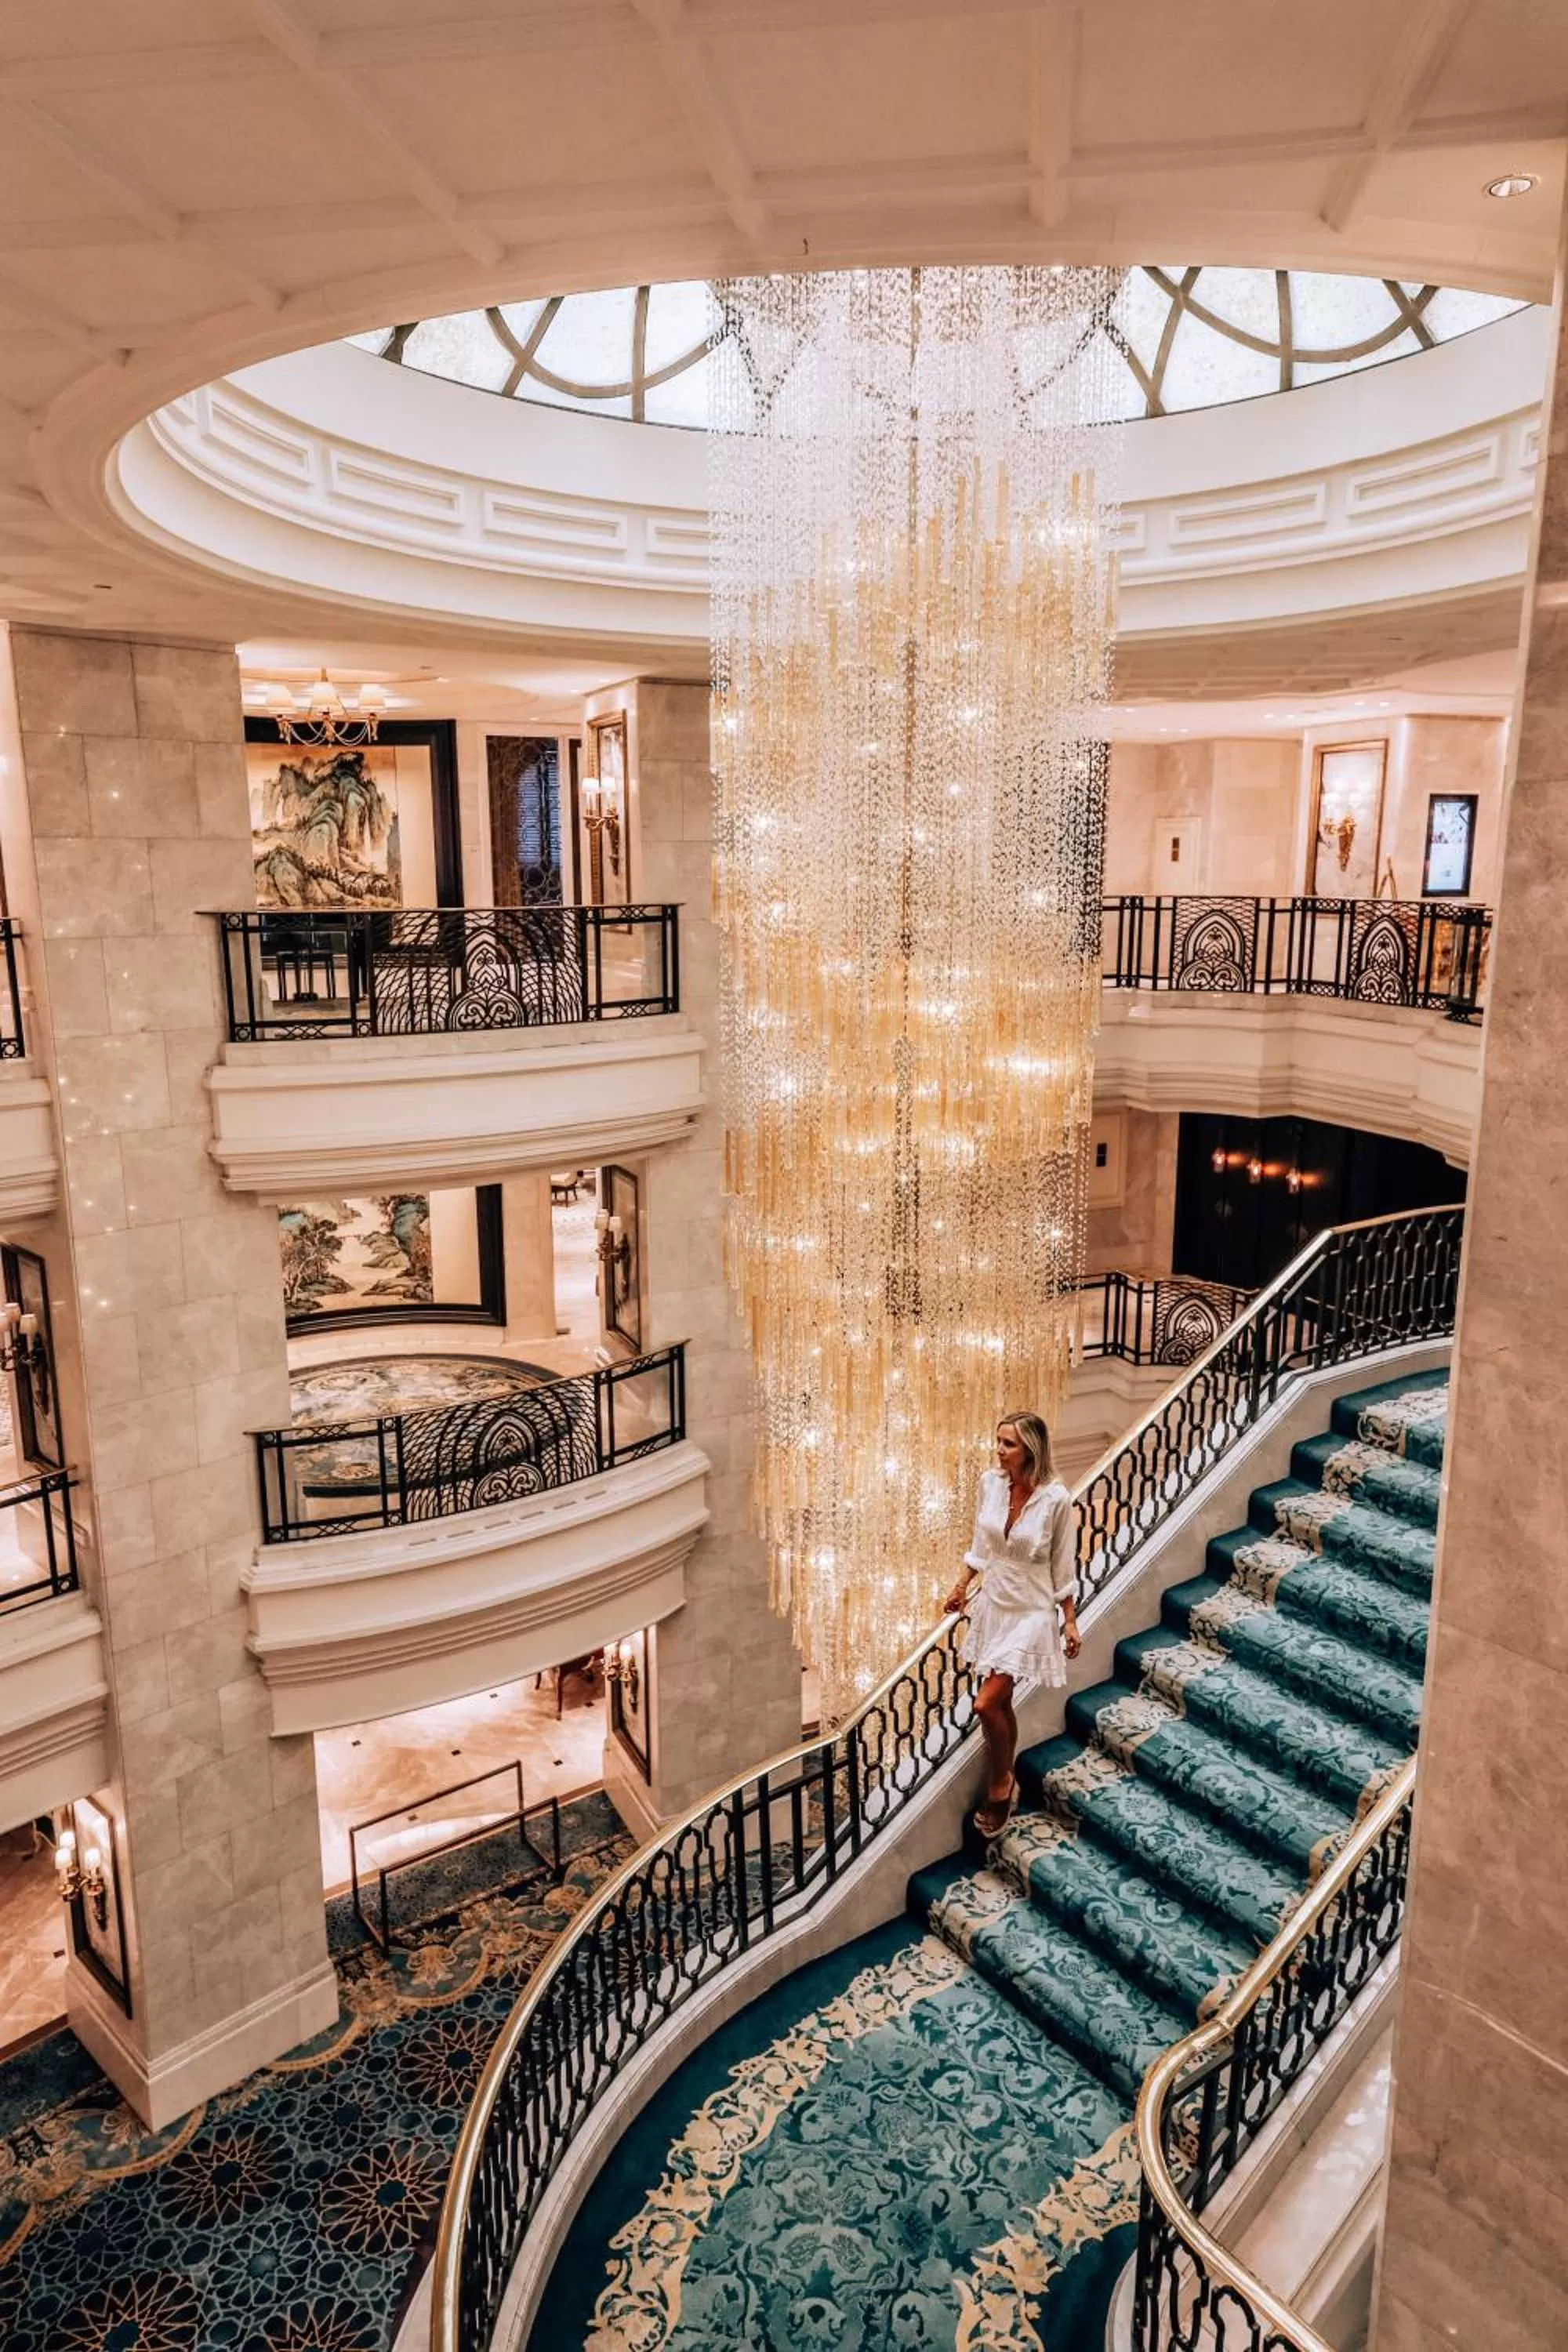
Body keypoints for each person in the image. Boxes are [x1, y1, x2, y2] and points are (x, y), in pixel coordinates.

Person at [943, 1410, 1081, 1838]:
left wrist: (1070, 1619)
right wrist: (962, 1584)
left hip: (1032, 1607)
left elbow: (1063, 1563)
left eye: (1009, 1444)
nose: (999, 1451)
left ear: (1031, 1450)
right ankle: (1007, 1776)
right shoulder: (991, 1484)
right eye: (999, 1442)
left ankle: (1001, 1784)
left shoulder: (1057, 1499)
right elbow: (982, 1543)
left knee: (986, 1703)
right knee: (999, 1704)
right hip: (995, 1600)